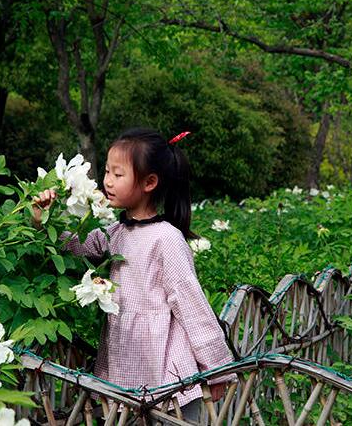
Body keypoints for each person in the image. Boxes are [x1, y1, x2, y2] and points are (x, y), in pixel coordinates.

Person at [32, 127, 234, 423]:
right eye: (107, 172)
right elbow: (73, 245)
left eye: (118, 174)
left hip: (165, 368)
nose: (107, 181)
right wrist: (41, 219)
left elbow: (193, 307)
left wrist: (217, 369)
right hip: (127, 358)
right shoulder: (116, 232)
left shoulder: (166, 238)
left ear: (149, 182)